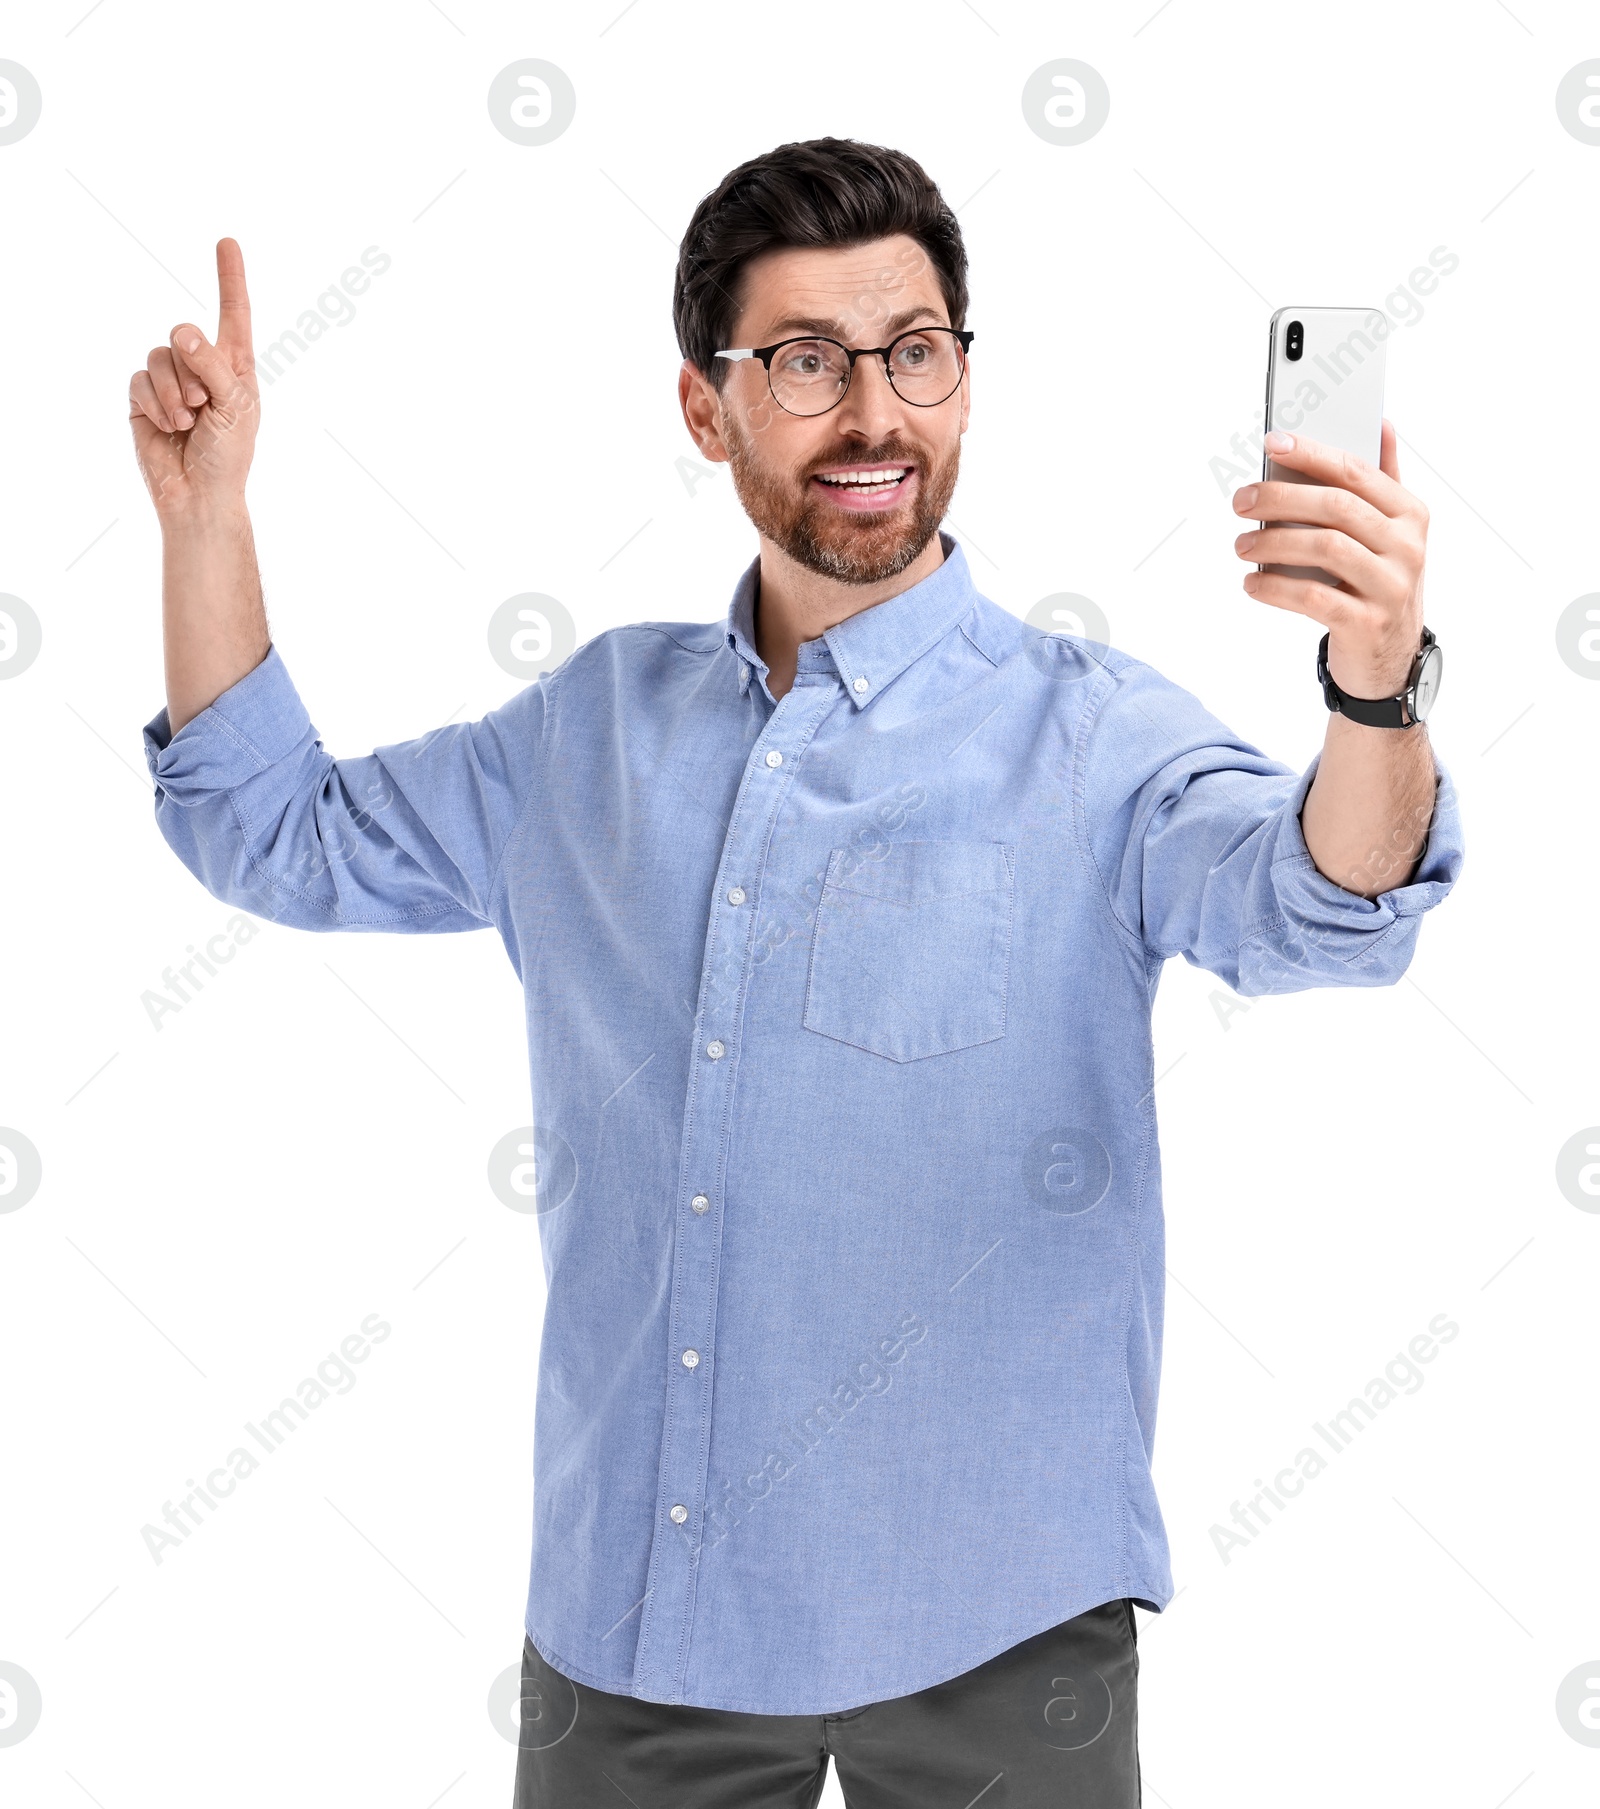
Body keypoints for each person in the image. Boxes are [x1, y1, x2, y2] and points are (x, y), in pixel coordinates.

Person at [129, 137, 1461, 1808]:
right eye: (809, 363)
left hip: (1005, 1629)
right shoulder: (589, 732)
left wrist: (1376, 691)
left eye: (915, 353)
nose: (875, 414)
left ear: (964, 381)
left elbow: (1325, 903)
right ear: (709, 410)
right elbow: (277, 833)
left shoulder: (1096, 738)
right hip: (640, 1626)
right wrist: (205, 520)